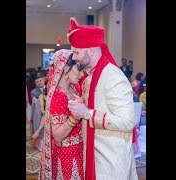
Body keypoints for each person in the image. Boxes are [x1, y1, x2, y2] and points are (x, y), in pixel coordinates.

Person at [67, 17, 138, 180]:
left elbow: (128, 122)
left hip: (110, 162)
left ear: (91, 50)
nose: (74, 57)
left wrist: (86, 113)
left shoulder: (113, 77)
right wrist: (81, 105)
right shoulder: (90, 76)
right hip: (94, 157)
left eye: (76, 52)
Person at [39, 49, 84, 180]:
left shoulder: (73, 89)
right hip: (67, 154)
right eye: (78, 69)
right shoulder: (58, 96)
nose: (81, 74)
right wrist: (76, 116)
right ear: (65, 68)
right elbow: (58, 136)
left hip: (78, 150)